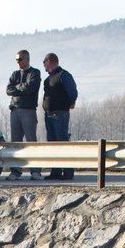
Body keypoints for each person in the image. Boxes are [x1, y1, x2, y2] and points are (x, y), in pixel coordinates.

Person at [41, 52, 78, 180]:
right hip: (49, 115)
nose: (44, 66)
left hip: (60, 114)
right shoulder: (47, 79)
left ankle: (67, 172)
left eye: (44, 62)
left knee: (62, 142)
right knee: (52, 144)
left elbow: (72, 92)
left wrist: (69, 103)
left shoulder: (63, 75)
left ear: (50, 61)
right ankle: (55, 172)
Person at [6, 49, 41, 180]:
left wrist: (17, 88)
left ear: (27, 59)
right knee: (16, 142)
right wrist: (22, 88)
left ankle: (35, 170)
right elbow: (8, 90)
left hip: (28, 111)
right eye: (16, 60)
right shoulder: (15, 74)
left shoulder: (35, 73)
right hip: (15, 111)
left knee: (31, 141)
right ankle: (15, 171)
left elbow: (31, 87)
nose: (18, 62)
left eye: (20, 59)